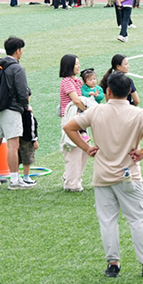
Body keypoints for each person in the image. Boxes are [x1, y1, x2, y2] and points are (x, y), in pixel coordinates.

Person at [62, 72, 143, 278]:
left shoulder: (97, 111)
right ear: (129, 91)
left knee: (107, 221)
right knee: (137, 219)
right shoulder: (137, 113)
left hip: (102, 175)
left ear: (108, 91)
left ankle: (113, 264)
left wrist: (87, 148)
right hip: (129, 175)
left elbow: (69, 127)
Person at [0, 36, 33, 190]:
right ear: (18, 50)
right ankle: (14, 180)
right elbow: (22, 92)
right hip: (11, 109)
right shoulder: (17, 68)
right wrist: (25, 106)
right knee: (13, 145)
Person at [57, 54, 91, 191]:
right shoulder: (66, 82)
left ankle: (72, 177)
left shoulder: (77, 81)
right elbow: (76, 100)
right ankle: (72, 183)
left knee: (84, 149)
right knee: (74, 151)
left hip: (80, 119)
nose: (79, 66)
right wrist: (88, 109)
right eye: (76, 63)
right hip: (71, 118)